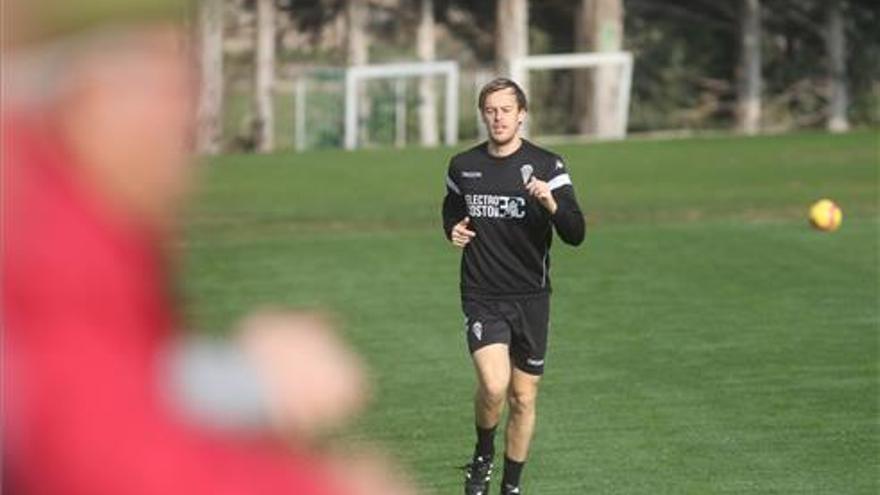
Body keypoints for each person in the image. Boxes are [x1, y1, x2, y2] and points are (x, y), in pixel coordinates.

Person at [1, 4, 416, 495]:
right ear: (89, 91)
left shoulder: (75, 222)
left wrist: (247, 381)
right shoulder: (50, 237)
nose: (185, 118)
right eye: (162, 82)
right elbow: (89, 452)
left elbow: (84, 383)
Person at [441, 78, 585, 495]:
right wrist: (453, 229)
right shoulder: (462, 166)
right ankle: (482, 457)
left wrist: (550, 203)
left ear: (522, 114)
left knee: (523, 398)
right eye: (490, 110)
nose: (498, 118)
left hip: (532, 299)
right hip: (483, 294)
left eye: (506, 110)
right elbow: (452, 208)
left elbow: (576, 233)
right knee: (494, 383)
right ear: (483, 114)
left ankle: (511, 487)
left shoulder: (549, 166)